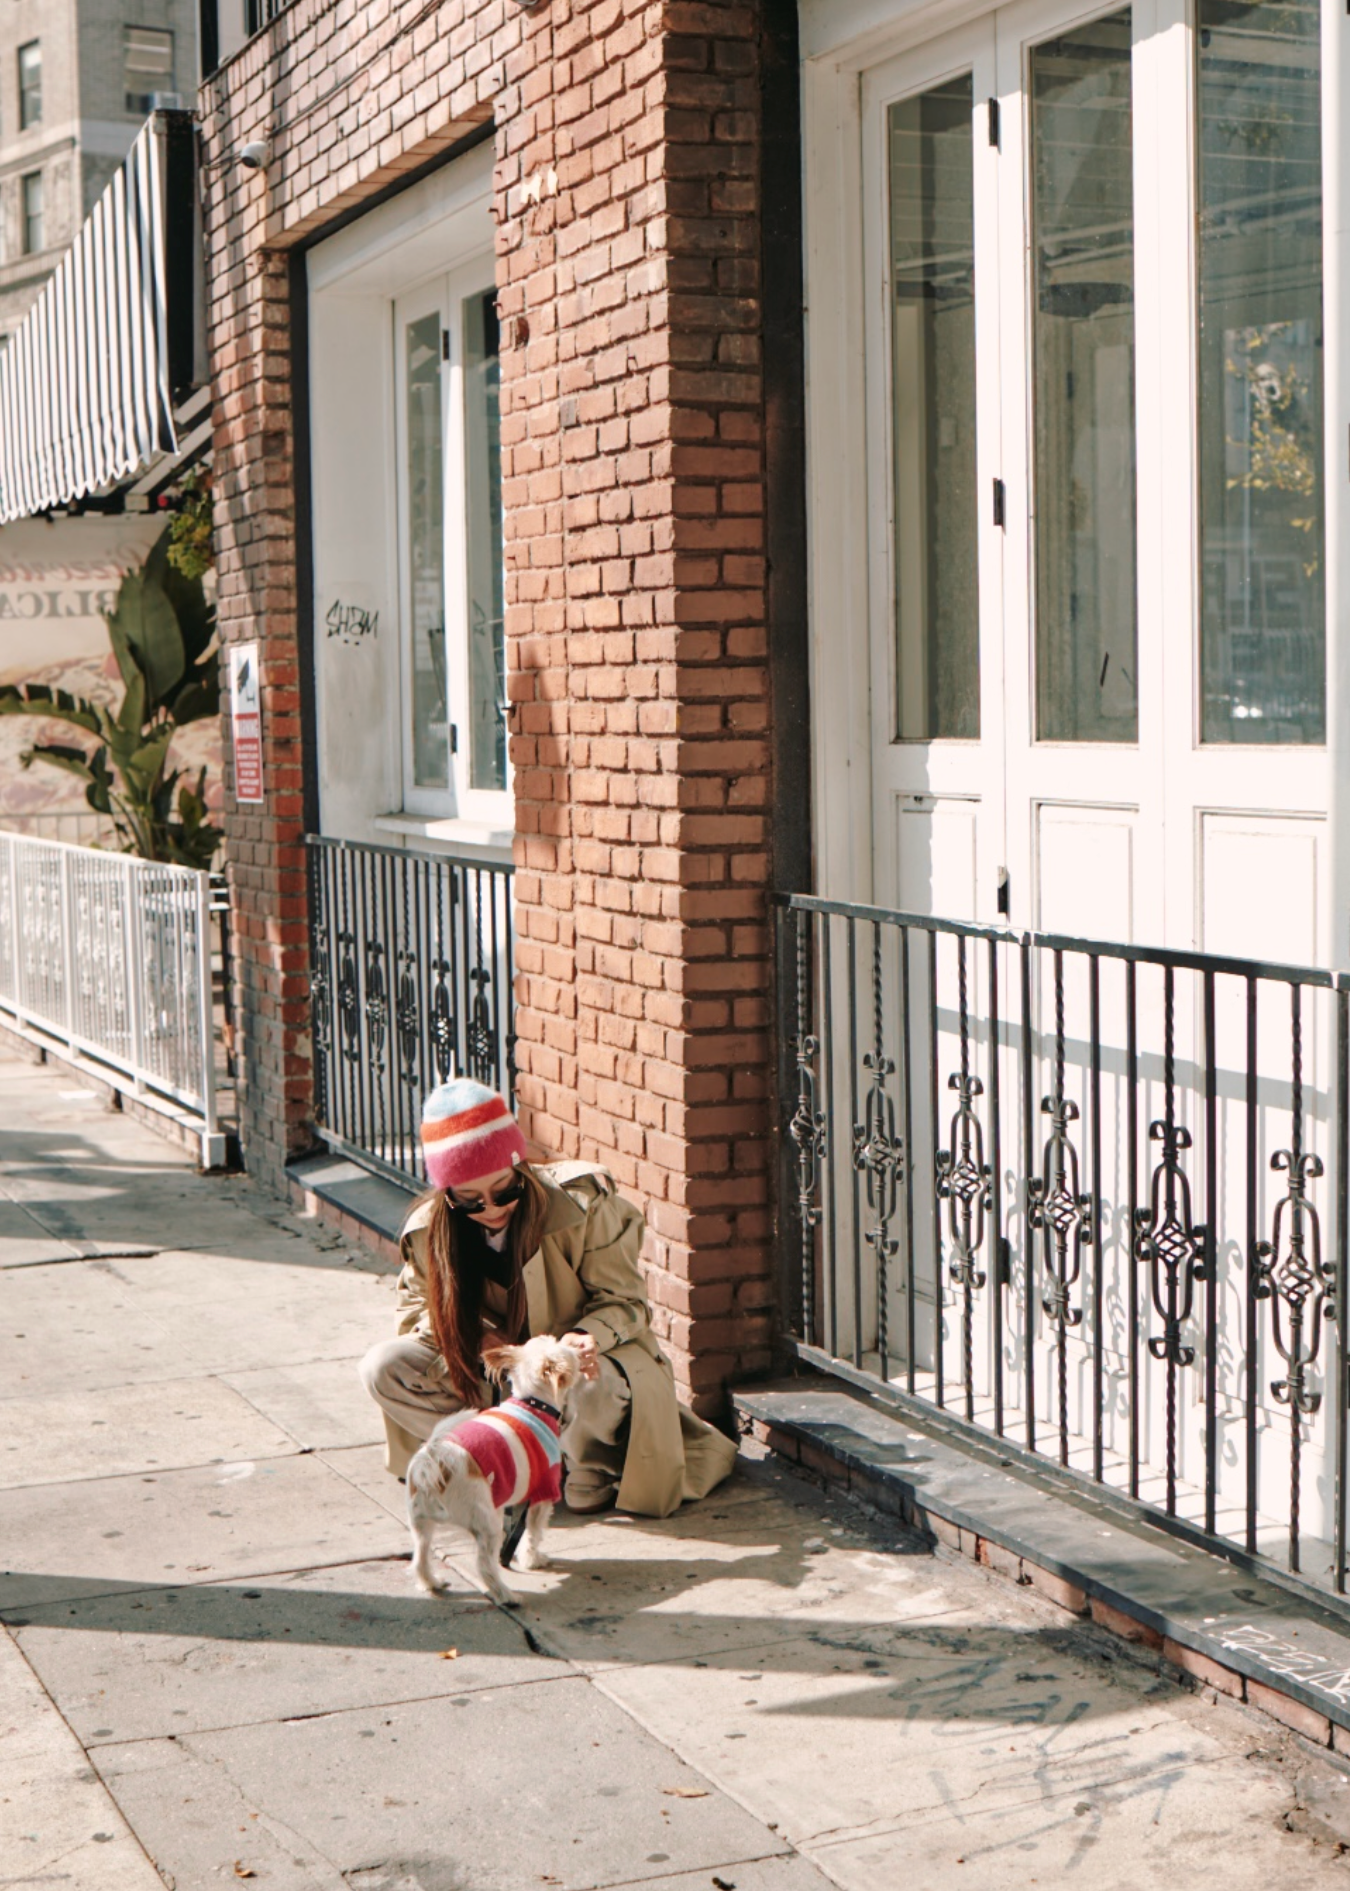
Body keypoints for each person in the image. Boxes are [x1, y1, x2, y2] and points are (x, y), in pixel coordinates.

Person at [359, 1078, 738, 1517]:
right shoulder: (430, 1230)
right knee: (381, 1366)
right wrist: (473, 1335)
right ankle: (488, 1455)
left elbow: (626, 1302)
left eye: (505, 1190)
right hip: (496, 1378)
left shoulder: (582, 1204)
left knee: (578, 1376)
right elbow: (413, 1311)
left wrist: (583, 1339)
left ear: (521, 1167)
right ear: (447, 1196)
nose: (492, 1208)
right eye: (470, 1201)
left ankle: (587, 1466)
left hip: (581, 1370)